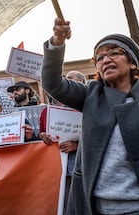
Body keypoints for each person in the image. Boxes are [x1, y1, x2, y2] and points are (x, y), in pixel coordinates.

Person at [41, 18, 139, 215]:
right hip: (95, 209)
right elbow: (52, 84)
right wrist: (57, 41)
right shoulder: (90, 96)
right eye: (99, 58)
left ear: (133, 63)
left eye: (114, 53)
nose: (105, 60)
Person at [39, 70, 85, 213]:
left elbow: (97, 136)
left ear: (82, 84)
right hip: (57, 169)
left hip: (82, 168)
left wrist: (77, 146)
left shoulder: (88, 107)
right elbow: (41, 135)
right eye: (65, 79)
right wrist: (43, 137)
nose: (66, 82)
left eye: (71, 79)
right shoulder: (47, 112)